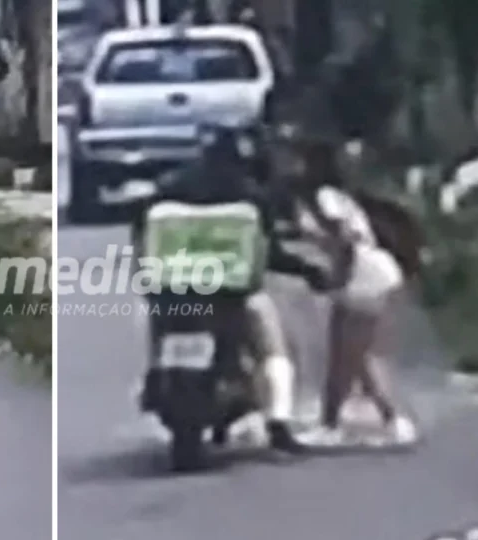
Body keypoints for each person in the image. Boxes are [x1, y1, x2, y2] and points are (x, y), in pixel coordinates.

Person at [132, 124, 330, 454]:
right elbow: (268, 254)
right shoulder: (250, 196)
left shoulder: (167, 189)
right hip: (231, 295)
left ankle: (156, 376)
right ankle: (278, 422)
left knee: (157, 320)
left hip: (174, 294)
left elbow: (142, 240)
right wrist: (310, 272)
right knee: (271, 347)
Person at [290, 139, 417, 445]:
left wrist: (340, 280)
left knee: (347, 357)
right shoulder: (335, 196)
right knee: (354, 356)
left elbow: (345, 240)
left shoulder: (325, 197)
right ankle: (388, 421)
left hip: (363, 274)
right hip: (369, 272)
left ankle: (336, 425)